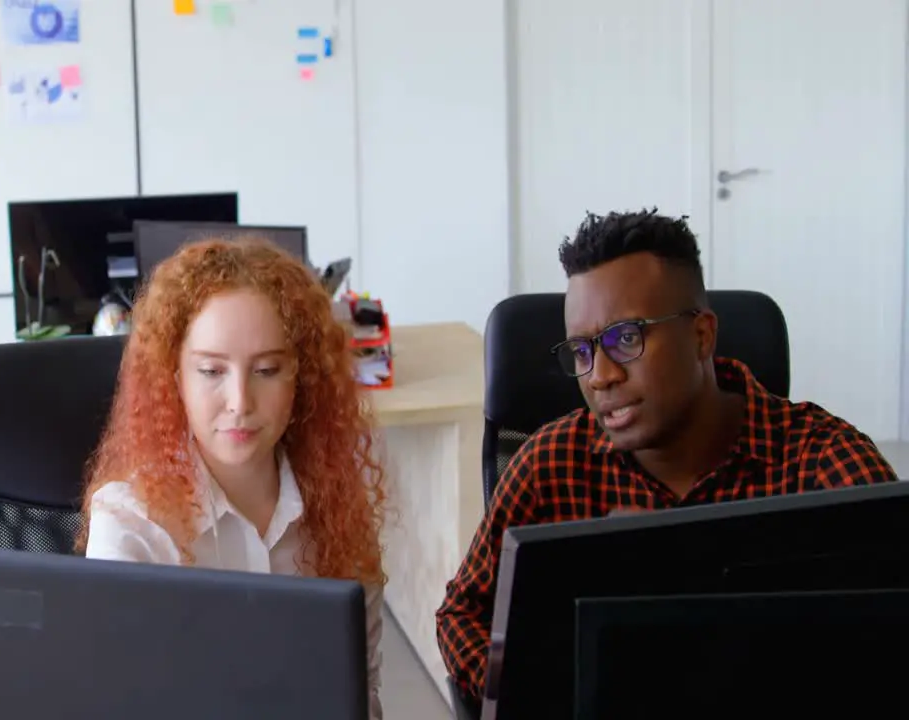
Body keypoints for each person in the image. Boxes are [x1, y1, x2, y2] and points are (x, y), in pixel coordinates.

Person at [436, 209, 901, 702]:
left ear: (702, 335)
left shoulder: (823, 464)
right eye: (581, 350)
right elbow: (463, 614)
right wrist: (546, 694)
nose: (599, 376)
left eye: (626, 338)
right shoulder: (550, 464)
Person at [80, 238, 388, 718]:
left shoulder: (337, 510)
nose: (240, 401)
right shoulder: (130, 522)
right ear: (174, 376)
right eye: (210, 370)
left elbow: (360, 694)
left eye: (267, 370)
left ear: (300, 377)